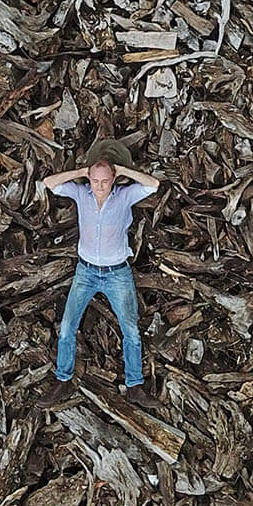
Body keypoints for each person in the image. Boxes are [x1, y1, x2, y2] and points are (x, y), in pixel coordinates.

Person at [41, 138, 161, 396]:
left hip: (117, 273)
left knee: (130, 329)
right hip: (85, 272)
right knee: (67, 326)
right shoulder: (81, 193)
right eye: (95, 181)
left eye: (105, 181)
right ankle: (63, 379)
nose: (99, 186)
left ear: (113, 179)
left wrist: (124, 171)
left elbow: (154, 185)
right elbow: (49, 184)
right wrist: (82, 173)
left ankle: (134, 385)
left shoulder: (125, 195)